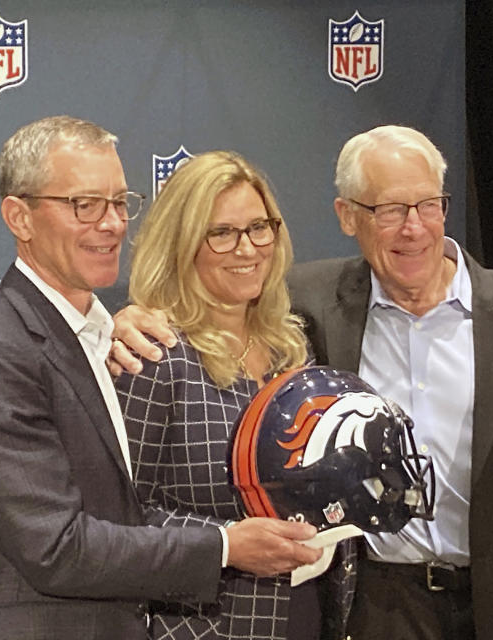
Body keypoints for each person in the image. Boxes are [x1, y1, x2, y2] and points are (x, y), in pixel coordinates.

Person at [110, 125, 493, 639]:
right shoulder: (308, 309)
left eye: (427, 205)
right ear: (347, 216)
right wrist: (121, 322)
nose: (413, 228)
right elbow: (118, 515)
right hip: (368, 610)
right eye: (389, 210)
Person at [0, 116, 321, 640]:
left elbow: (118, 512)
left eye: (119, 202)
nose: (110, 224)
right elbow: (56, 548)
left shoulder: (105, 337)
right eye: (84, 205)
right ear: (20, 217)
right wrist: (226, 546)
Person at [114, 150, 355, 640]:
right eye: (221, 233)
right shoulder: (154, 356)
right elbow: (117, 519)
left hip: (310, 614)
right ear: (181, 245)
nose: (247, 248)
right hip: (200, 626)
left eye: (259, 227)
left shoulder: (296, 346)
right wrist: (224, 543)